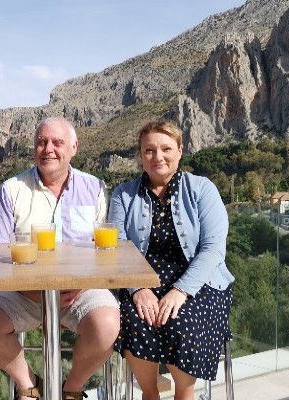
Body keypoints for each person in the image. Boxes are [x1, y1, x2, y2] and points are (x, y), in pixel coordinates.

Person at [0, 117, 120, 400]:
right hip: (23, 292)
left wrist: (82, 285)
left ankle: (71, 390)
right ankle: (30, 385)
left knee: (108, 323)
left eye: (57, 142)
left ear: (74, 147)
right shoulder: (12, 189)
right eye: (41, 142)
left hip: (80, 291)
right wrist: (30, 290)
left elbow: (104, 250)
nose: (48, 149)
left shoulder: (95, 188)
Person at [108, 119, 234, 400]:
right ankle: (149, 394)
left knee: (181, 323)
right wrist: (137, 289)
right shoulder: (123, 195)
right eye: (149, 150)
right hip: (142, 280)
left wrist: (180, 291)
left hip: (199, 282)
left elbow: (213, 249)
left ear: (180, 150)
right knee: (134, 319)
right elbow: (116, 247)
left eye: (166, 148)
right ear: (140, 155)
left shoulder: (202, 189)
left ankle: (184, 394)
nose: (158, 156)